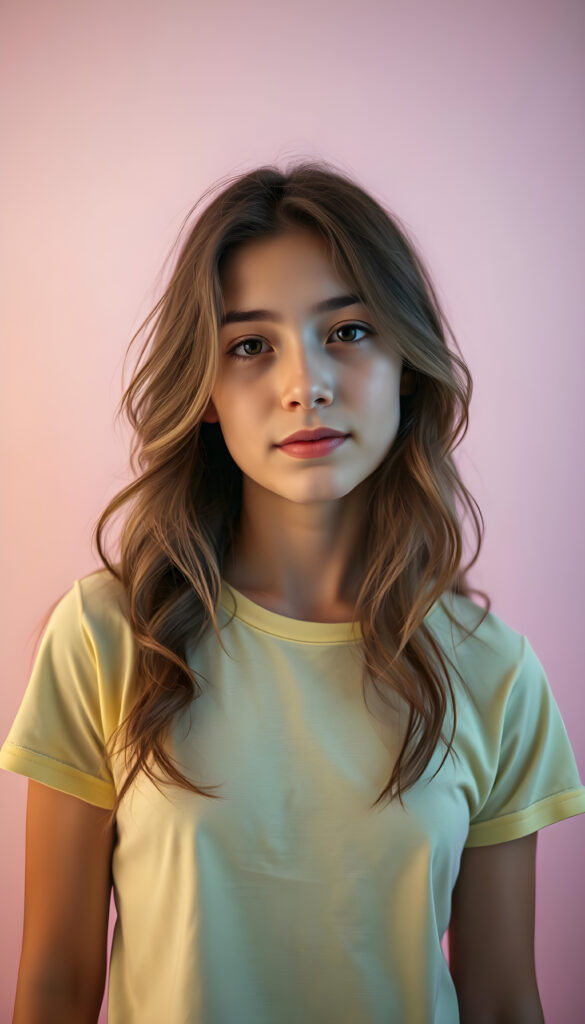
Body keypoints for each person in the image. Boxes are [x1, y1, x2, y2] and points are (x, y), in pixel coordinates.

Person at [2, 161, 584, 1024]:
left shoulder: (495, 673)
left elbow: (501, 1000)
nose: (302, 385)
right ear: (203, 391)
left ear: (406, 365)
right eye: (249, 345)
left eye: (347, 331)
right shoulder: (106, 638)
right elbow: (53, 979)